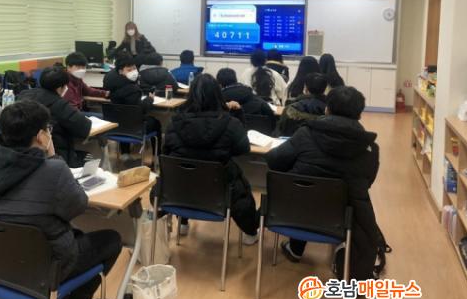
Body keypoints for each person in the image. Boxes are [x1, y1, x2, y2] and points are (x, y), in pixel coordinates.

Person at [0, 100, 121, 299]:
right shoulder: (54, 171)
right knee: (112, 239)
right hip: (48, 268)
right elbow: (79, 206)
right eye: (48, 129)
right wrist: (54, 156)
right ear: (41, 136)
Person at [265, 86, 382, 281]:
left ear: (327, 109)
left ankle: (295, 248)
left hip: (293, 209)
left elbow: (274, 161)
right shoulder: (369, 149)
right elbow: (367, 182)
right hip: (340, 217)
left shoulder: (305, 134)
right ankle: (341, 250)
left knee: (304, 188)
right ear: (359, 114)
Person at [161, 74, 259, 243]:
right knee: (239, 185)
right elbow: (243, 149)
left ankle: (182, 222)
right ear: (218, 95)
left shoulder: (174, 123)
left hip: (181, 190)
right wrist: (237, 115)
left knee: (184, 169)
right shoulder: (230, 123)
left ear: (191, 95)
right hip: (220, 191)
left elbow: (166, 152)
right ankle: (250, 233)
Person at [17, 66, 92, 167]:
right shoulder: (59, 104)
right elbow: (85, 128)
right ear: (60, 88)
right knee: (89, 156)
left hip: (24, 155)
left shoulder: (23, 95)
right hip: (55, 155)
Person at [104, 53, 163, 158]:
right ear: (121, 71)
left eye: (134, 68)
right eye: (129, 69)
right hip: (136, 129)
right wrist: (150, 99)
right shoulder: (132, 89)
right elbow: (142, 109)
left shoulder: (111, 85)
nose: (133, 71)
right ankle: (157, 156)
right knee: (156, 122)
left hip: (117, 127)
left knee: (123, 117)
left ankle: (125, 153)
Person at [276, 73, 328, 137]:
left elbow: (280, 131)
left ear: (305, 88)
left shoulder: (290, 108)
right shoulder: (331, 110)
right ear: (324, 89)